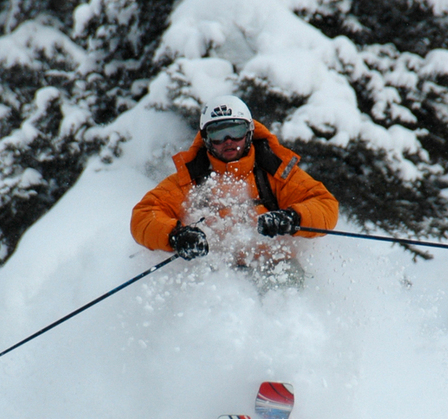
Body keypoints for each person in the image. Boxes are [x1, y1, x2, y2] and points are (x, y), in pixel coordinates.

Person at [130, 95, 338, 289]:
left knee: (288, 277)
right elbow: (144, 215)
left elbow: (325, 204)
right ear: (206, 139)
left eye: (236, 131)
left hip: (272, 266)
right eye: (218, 134)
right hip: (215, 274)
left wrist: (291, 218)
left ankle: (290, 317)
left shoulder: (275, 172)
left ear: (249, 132)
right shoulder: (189, 179)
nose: (228, 140)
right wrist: (177, 236)